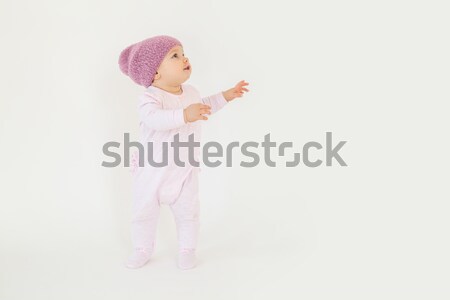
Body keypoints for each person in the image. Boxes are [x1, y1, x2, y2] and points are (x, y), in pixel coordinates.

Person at [118, 35, 249, 269]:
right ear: (155, 73)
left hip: (184, 169)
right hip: (152, 170)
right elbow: (155, 120)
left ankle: (187, 249)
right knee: (143, 213)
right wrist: (184, 115)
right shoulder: (150, 98)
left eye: (183, 52)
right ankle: (142, 248)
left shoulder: (191, 92)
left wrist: (227, 95)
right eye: (175, 56)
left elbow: (204, 105)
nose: (184, 58)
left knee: (189, 212)